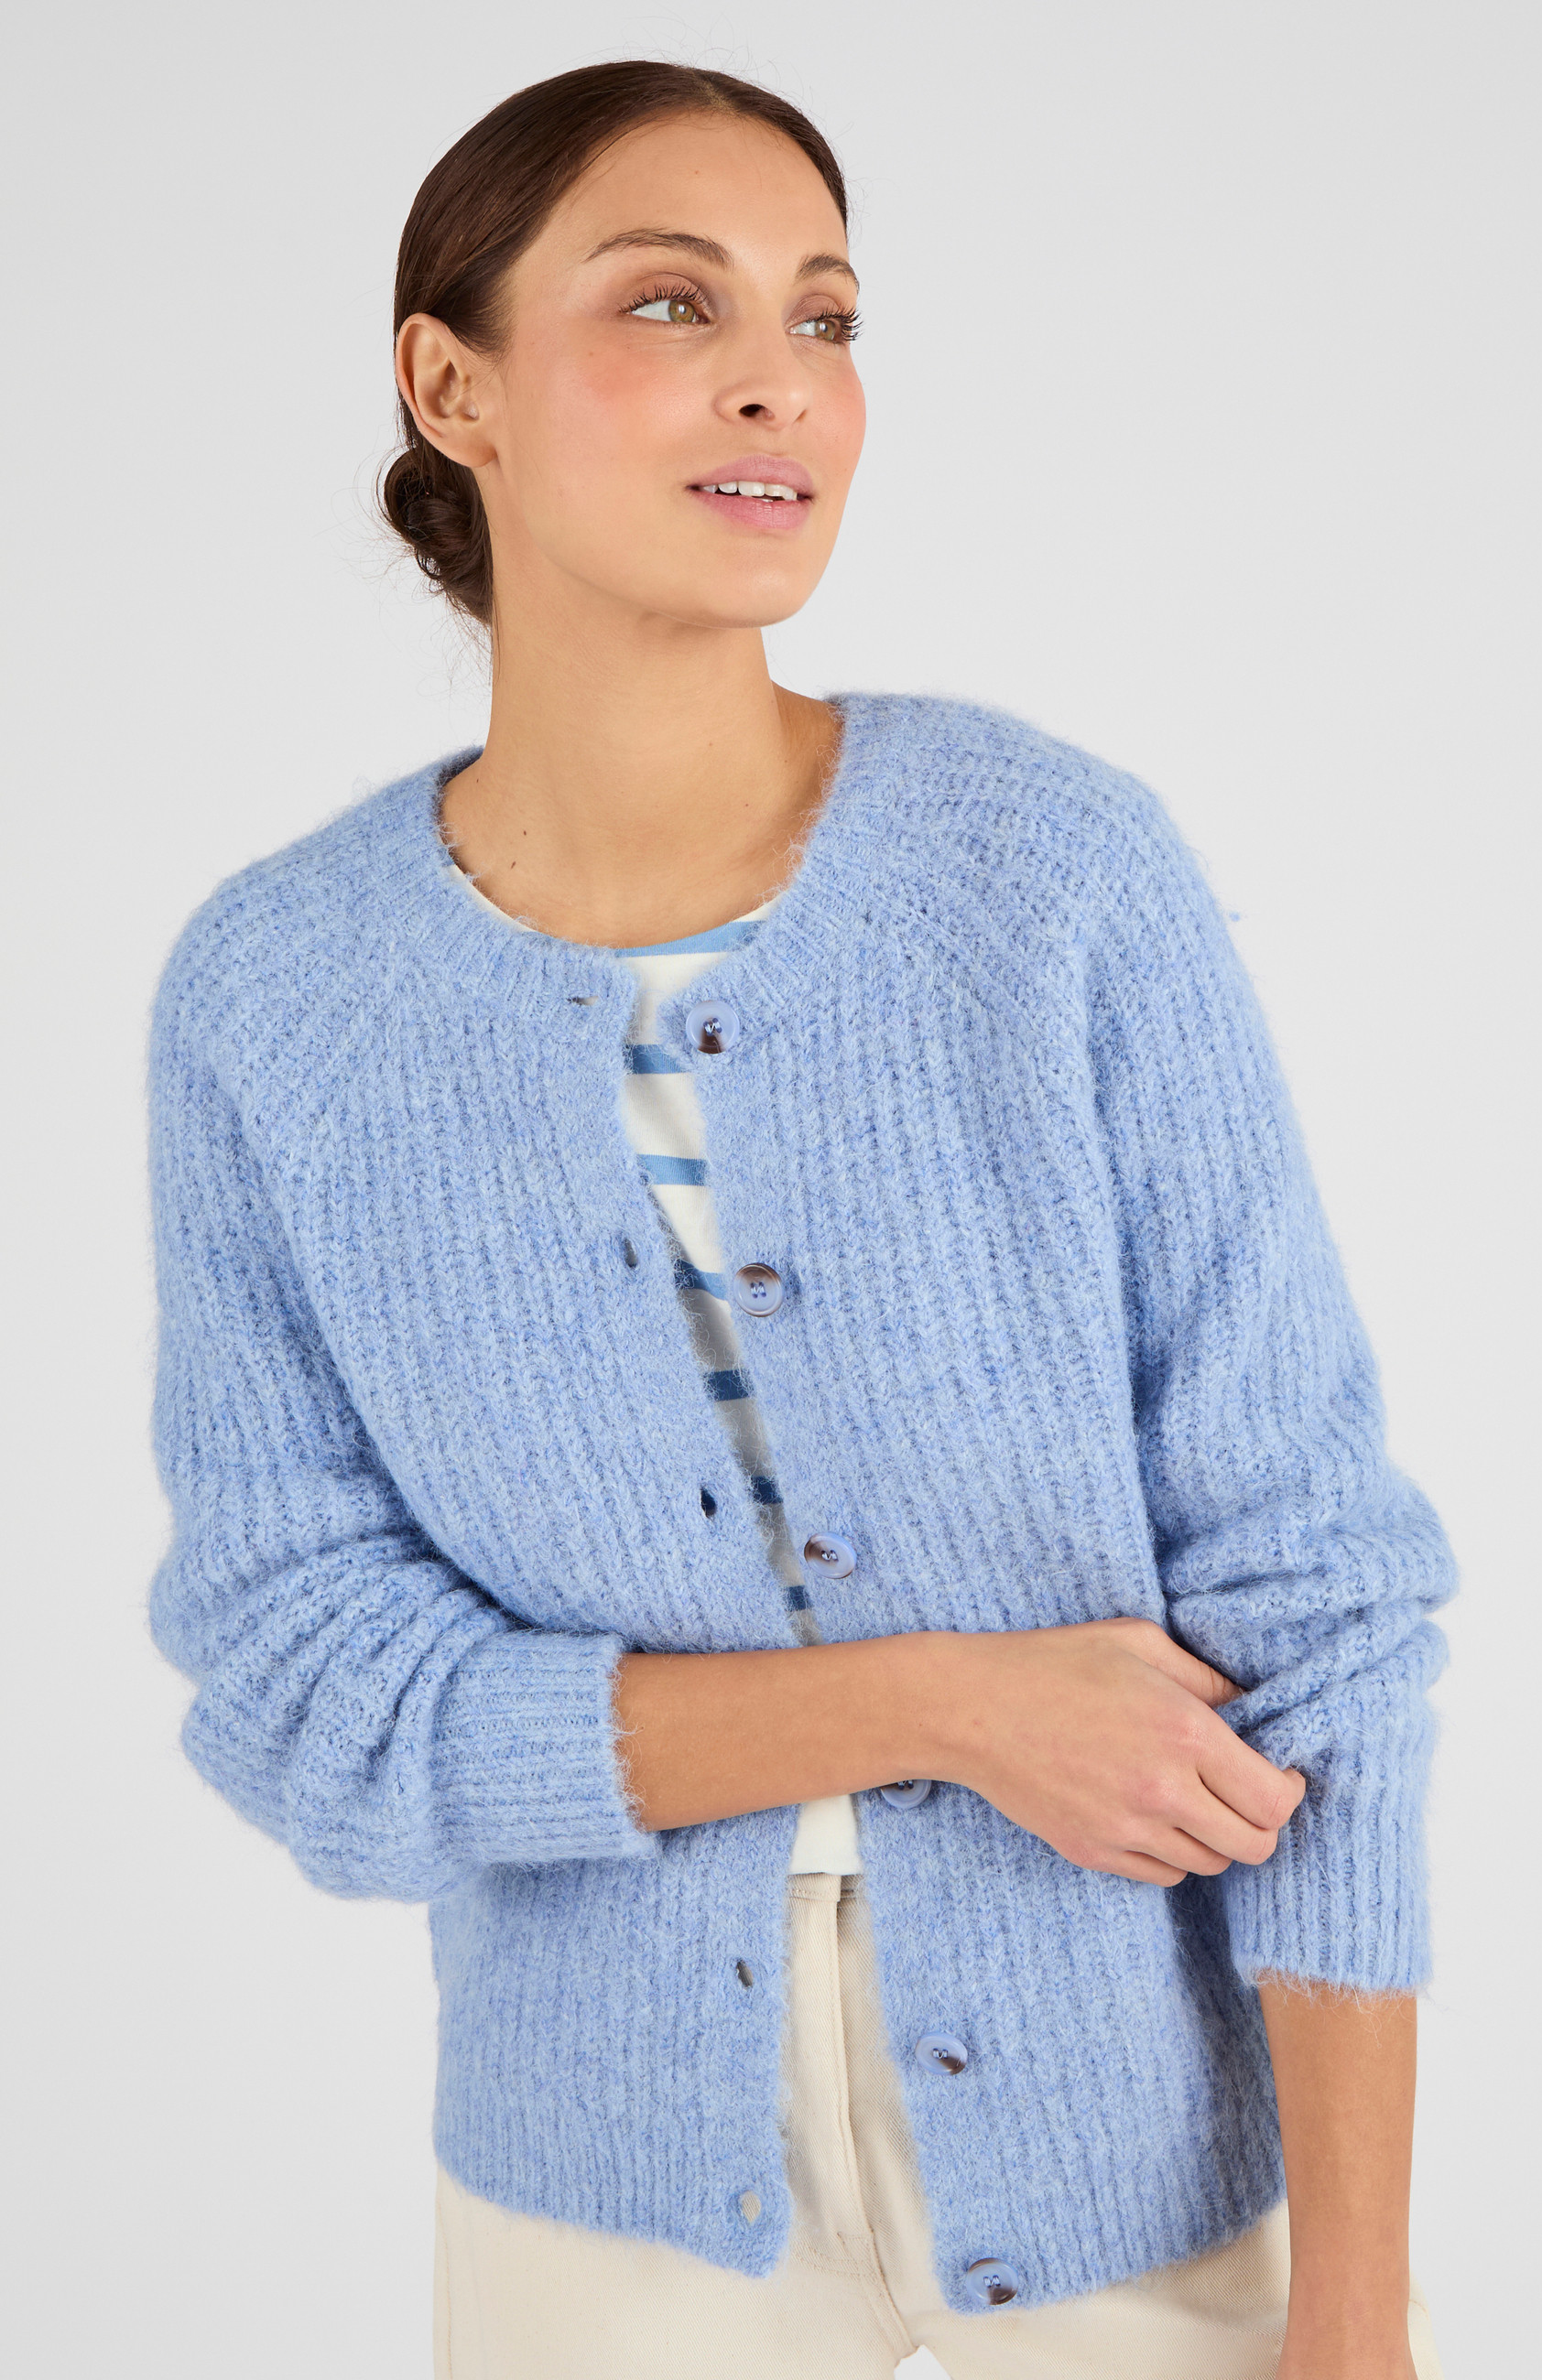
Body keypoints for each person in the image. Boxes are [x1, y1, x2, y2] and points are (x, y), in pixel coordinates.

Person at [146, 60, 1455, 2380]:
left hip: (1146, 2158)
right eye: (674, 303)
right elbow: (304, 1688)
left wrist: (1357, 2306)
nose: (781, 381)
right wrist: (944, 1703)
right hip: (597, 2185)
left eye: (825, 317)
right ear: (451, 384)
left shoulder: (1051, 878)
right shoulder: (278, 996)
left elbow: (1321, 1602)